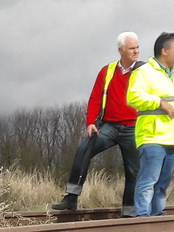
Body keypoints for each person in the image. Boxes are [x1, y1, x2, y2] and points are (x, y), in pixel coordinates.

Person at [53, 32, 144, 214]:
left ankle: (129, 210)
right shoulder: (107, 70)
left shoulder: (146, 71)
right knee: (83, 150)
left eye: (137, 47)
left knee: (134, 169)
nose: (136, 51)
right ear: (121, 50)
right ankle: (71, 198)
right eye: (132, 48)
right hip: (108, 126)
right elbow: (95, 98)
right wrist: (90, 123)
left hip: (134, 127)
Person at [127, 32, 174, 216]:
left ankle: (157, 218)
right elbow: (134, 97)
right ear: (164, 50)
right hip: (152, 136)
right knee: (148, 181)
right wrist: (159, 102)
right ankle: (142, 218)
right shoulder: (144, 72)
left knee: (162, 184)